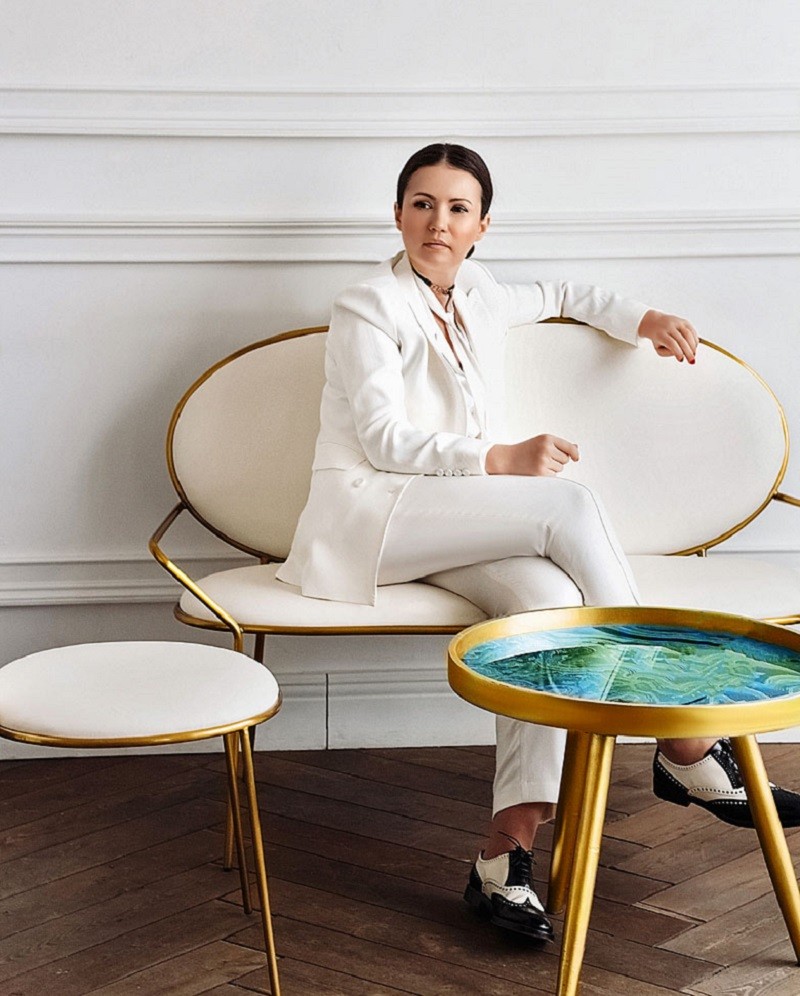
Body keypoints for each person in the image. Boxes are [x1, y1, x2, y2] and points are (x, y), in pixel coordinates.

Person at [277, 143, 800, 942]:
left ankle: (504, 854)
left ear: (482, 226)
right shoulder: (367, 305)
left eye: (457, 208)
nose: (438, 222)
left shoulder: (481, 293)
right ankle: (684, 737)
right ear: (398, 215)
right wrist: (499, 458)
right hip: (372, 516)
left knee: (546, 608)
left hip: (450, 518)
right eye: (422, 204)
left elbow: (562, 293)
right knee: (566, 502)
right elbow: (381, 438)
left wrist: (643, 320)